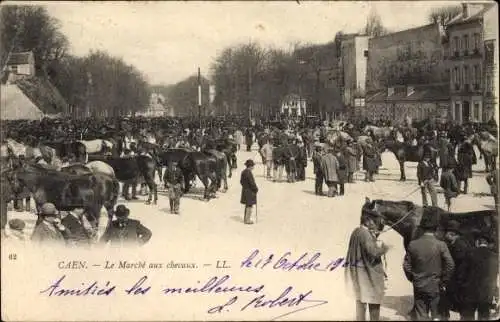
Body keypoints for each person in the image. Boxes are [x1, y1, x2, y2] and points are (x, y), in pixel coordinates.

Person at [403, 210, 455, 321]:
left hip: (419, 285)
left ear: (421, 229)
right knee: (436, 316)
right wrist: (444, 281)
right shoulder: (441, 245)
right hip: (435, 286)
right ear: (436, 229)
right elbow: (450, 265)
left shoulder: (413, 244)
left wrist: (412, 278)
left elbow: (406, 265)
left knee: (421, 315)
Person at [345, 209, 390, 321]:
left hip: (358, 275)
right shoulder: (365, 234)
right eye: (375, 222)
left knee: (360, 303)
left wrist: (373, 237)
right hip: (369, 276)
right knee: (374, 302)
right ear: (368, 220)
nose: (376, 225)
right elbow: (373, 252)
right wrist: (384, 248)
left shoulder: (356, 231)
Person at [458, 231, 498, 320]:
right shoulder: (495, 256)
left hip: (470, 293)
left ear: (478, 242)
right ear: (487, 243)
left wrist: (461, 287)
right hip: (487, 294)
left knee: (467, 317)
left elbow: (461, 273)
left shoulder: (470, 253)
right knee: (484, 317)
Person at [439, 220, 471, 320]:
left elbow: (455, 264)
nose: (444, 235)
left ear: (452, 234)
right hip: (457, 280)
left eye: (446, 233)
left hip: (458, 281)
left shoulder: (459, 245)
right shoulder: (456, 243)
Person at [240, 159, 258, 225]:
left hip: (245, 190)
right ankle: (247, 220)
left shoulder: (243, 172)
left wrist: (245, 186)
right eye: (253, 165)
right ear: (250, 166)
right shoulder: (249, 172)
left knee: (247, 204)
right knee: (249, 205)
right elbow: (252, 183)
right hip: (250, 191)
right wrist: (256, 189)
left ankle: (245, 218)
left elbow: (241, 181)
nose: (253, 167)